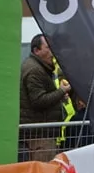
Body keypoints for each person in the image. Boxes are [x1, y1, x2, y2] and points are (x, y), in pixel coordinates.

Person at [20, 34, 71, 162]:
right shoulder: (35, 70)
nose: (52, 52)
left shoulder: (39, 67)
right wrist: (61, 92)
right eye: (48, 48)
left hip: (41, 133)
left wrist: (59, 96)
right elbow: (38, 100)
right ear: (37, 51)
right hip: (39, 136)